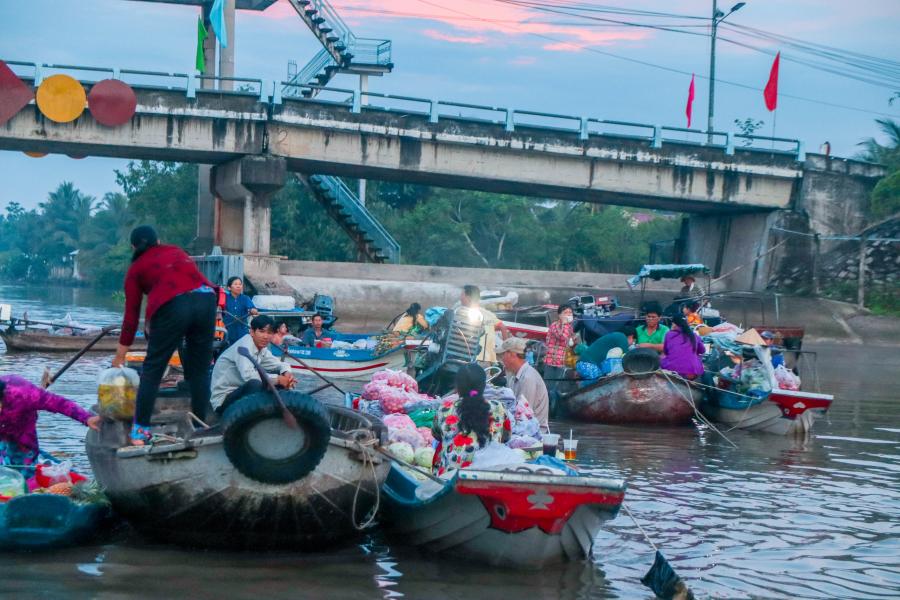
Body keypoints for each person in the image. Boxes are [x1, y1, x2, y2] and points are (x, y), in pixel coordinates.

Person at [112, 226, 217, 446]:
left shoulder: (136, 268)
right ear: (158, 241)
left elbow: (131, 316)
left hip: (174, 305)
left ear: (133, 247)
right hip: (207, 299)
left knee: (152, 370)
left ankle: (140, 433)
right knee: (200, 371)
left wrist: (120, 356)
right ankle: (200, 426)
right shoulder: (176, 251)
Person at [0, 376, 101, 478]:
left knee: (26, 467)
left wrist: (86, 418)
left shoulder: (24, 394)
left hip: (22, 426)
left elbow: (58, 403)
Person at [432, 363, 511, 476]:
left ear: (457, 386)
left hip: (449, 478)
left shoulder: (444, 408)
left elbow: (436, 435)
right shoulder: (498, 408)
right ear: (484, 386)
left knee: (440, 447)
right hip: (486, 477)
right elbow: (506, 437)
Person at [210, 315, 296, 414]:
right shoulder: (244, 346)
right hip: (223, 400)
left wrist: (287, 374)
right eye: (262, 331)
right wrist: (279, 379)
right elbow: (249, 376)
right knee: (255, 383)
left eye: (269, 333)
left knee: (281, 385)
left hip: (240, 392)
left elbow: (279, 364)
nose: (265, 336)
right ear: (252, 332)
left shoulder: (262, 349)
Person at [499, 337, 550, 431]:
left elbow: (523, 415)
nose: (501, 359)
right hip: (523, 426)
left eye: (503, 354)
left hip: (533, 432)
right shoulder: (515, 375)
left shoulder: (527, 377)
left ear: (512, 354)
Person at [459, 285, 509, 366]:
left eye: (462, 295)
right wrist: (506, 350)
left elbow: (502, 327)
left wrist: (505, 350)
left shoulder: (464, 314)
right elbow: (503, 327)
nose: (460, 298)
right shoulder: (487, 314)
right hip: (480, 360)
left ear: (468, 298)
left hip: (476, 359)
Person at [660, 315, 706, 380]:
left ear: (674, 324)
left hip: (672, 369)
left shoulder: (669, 334)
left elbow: (666, 352)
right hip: (692, 372)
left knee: (661, 360)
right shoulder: (694, 335)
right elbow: (702, 350)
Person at [543, 304, 575, 392]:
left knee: (558, 388)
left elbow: (572, 340)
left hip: (561, 362)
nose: (568, 314)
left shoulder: (569, 327)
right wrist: (564, 323)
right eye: (565, 313)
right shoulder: (555, 325)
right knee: (549, 387)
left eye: (570, 313)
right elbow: (562, 337)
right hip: (552, 362)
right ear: (559, 315)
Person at [223, 277, 258, 345]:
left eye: (240, 284)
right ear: (229, 288)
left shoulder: (245, 298)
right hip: (227, 329)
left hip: (242, 330)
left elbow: (252, 308)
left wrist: (253, 310)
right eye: (235, 284)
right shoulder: (224, 298)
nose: (238, 286)